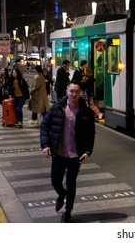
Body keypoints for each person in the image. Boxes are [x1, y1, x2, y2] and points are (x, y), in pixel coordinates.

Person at [40, 80, 96, 223]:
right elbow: (45, 125)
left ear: (80, 93)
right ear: (66, 91)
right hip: (58, 153)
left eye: (77, 91)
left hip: (75, 155)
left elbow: (91, 134)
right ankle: (61, 193)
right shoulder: (57, 107)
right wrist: (45, 145)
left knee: (71, 183)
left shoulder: (86, 112)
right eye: (71, 91)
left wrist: (88, 151)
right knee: (55, 181)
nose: (74, 94)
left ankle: (68, 211)